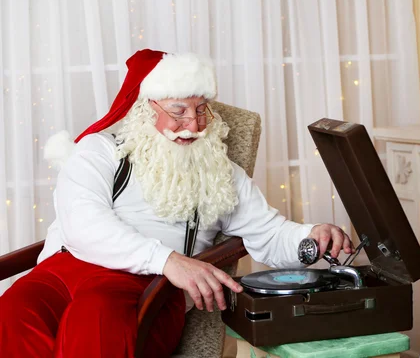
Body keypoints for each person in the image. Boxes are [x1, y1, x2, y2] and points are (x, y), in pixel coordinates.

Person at [0, 49, 352, 358]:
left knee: (94, 317)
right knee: (12, 312)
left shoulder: (219, 171)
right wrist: (168, 260)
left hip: (148, 292)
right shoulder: (100, 149)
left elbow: (271, 234)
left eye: (201, 110)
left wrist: (312, 238)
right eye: (178, 111)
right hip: (64, 272)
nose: (193, 125)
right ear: (145, 108)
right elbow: (82, 223)